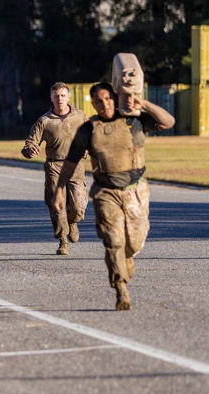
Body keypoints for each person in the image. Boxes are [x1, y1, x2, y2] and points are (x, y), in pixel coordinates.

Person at [54, 79, 174, 310]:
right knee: (114, 240)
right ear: (93, 103)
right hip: (106, 192)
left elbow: (168, 122)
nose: (104, 104)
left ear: (115, 98)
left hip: (136, 190)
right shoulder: (88, 129)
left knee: (133, 243)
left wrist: (143, 103)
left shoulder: (134, 120)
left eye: (108, 98)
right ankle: (121, 289)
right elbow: (69, 164)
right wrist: (59, 190)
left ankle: (126, 259)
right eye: (98, 101)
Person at [22, 82, 90, 255]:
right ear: (51, 98)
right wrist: (30, 150)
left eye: (62, 95)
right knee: (57, 206)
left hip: (75, 166)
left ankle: (72, 222)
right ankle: (63, 241)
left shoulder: (80, 117)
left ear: (68, 97)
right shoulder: (44, 121)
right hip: (54, 166)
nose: (60, 98)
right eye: (56, 95)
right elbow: (30, 143)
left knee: (78, 206)